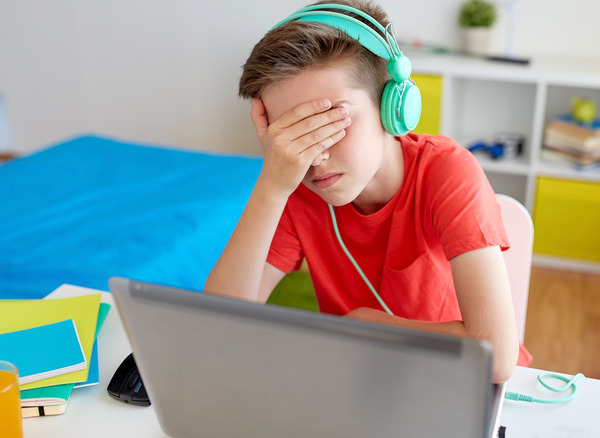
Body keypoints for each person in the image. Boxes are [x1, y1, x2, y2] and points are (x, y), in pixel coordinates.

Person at [205, 0, 530, 383]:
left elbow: (494, 357)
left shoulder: (446, 173)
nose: (316, 155)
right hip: (363, 377)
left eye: (334, 122)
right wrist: (272, 184)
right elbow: (220, 321)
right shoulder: (295, 189)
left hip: (456, 379)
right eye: (293, 135)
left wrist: (365, 323)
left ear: (393, 106)